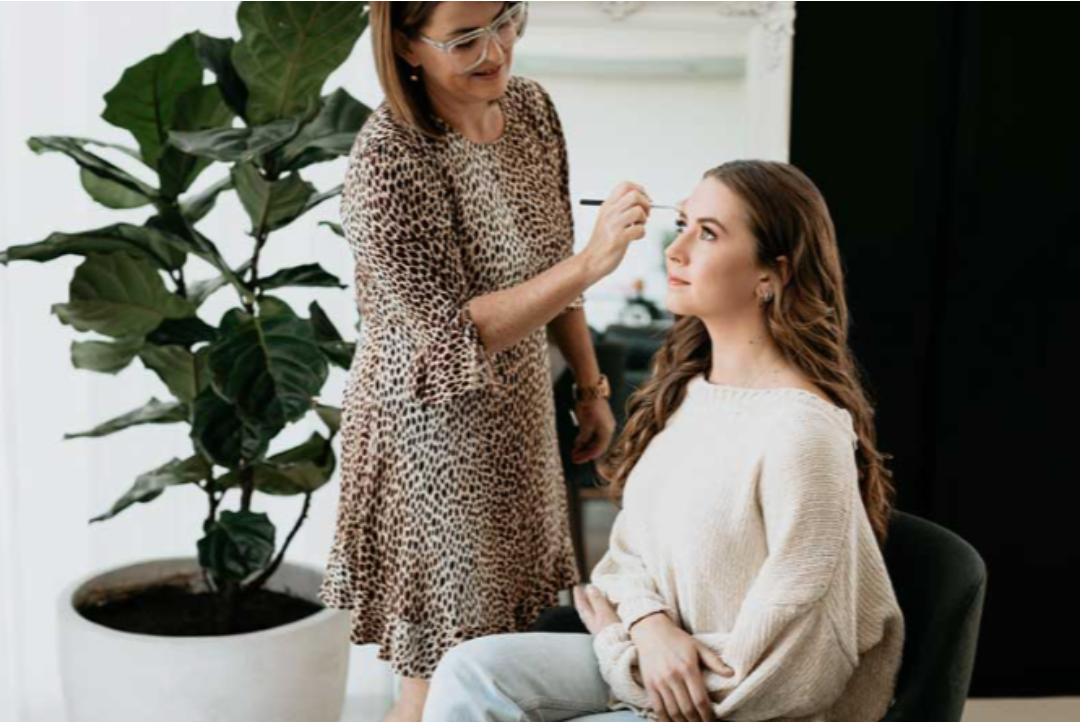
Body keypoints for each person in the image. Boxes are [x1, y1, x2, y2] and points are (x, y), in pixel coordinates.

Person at [421, 160, 906, 722]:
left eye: (708, 233)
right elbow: (628, 554)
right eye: (681, 224)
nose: (674, 251)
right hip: (653, 656)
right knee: (468, 670)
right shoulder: (690, 395)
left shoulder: (801, 430)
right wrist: (649, 629)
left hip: (736, 703)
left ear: (771, 274)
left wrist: (617, 648)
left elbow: (804, 667)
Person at [315, 2, 653, 720]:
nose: (496, 50)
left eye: (505, 18)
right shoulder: (388, 160)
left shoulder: (529, 110)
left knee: (505, 641)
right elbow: (450, 333)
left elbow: (549, 263)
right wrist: (596, 261)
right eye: (464, 38)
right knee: (447, 659)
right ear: (407, 44)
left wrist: (589, 385)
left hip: (521, 411)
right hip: (432, 432)